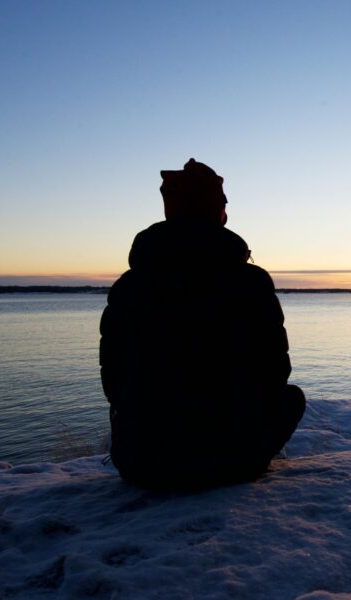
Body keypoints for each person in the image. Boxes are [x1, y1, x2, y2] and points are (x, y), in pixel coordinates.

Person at [99, 158, 305, 489]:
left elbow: (114, 381)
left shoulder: (130, 286)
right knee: (291, 397)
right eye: (223, 205)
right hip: (233, 463)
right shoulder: (249, 283)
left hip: (142, 465)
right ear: (216, 212)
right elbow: (275, 372)